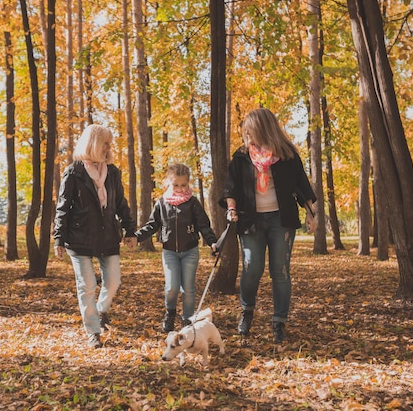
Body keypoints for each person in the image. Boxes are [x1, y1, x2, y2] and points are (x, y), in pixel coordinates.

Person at [220, 108, 317, 344]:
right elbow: (230, 188)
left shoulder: (287, 155)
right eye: (246, 132)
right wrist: (231, 209)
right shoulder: (242, 156)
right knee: (252, 267)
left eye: (250, 131)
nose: (247, 136)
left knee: (280, 272)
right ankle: (247, 311)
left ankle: (279, 322)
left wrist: (312, 215)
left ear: (263, 129)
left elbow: (302, 186)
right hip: (250, 220)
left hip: (280, 221)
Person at [54, 124, 137, 349]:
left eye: (109, 143)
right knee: (88, 285)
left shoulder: (113, 172)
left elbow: (120, 203)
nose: (108, 147)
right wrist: (59, 238)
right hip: (79, 238)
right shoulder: (74, 172)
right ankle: (93, 331)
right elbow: (62, 207)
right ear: (92, 143)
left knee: (113, 282)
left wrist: (130, 230)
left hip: (108, 235)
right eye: (105, 143)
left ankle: (100, 310)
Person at [135, 163, 218, 332]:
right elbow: (152, 225)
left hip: (190, 251)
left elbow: (204, 225)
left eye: (183, 185)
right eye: (176, 185)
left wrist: (212, 241)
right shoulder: (162, 203)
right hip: (170, 252)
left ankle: (188, 321)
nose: (180, 189)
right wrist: (136, 237)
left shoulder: (193, 203)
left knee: (188, 288)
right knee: (172, 288)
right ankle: (170, 312)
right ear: (169, 183)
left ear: (188, 184)